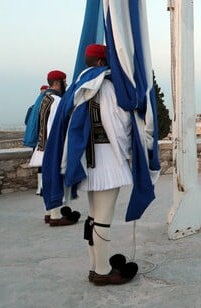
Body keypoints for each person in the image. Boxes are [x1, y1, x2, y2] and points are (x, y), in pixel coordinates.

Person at [44, 43, 139, 286]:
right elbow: (121, 126)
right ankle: (103, 271)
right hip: (108, 161)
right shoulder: (108, 87)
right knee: (103, 219)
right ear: (101, 62)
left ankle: (94, 266)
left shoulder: (77, 87)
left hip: (87, 161)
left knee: (93, 217)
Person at [28, 70, 80, 226]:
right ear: (57, 83)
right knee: (56, 181)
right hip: (52, 147)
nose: (65, 85)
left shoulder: (44, 99)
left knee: (47, 181)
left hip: (42, 146)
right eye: (64, 82)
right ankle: (56, 216)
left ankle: (48, 213)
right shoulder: (57, 100)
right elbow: (56, 126)